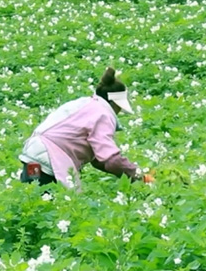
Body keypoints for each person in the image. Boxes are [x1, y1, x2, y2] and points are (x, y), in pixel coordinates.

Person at [18, 67, 152, 189]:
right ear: (113, 103)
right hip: (50, 158)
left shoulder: (85, 104)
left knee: (31, 191)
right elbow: (112, 161)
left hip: (33, 156)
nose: (119, 112)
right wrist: (140, 176)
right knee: (57, 202)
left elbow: (99, 160)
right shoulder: (103, 114)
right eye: (119, 107)